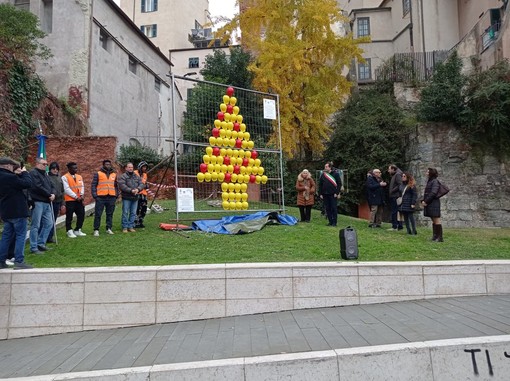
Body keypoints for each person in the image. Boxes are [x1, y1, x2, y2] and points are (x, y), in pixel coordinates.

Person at [0, 157, 33, 269]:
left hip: (6, 212)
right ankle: (19, 261)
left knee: (6, 237)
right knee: (20, 235)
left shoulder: (4, 177)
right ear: (7, 165)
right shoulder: (10, 177)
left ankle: (1, 261)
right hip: (18, 211)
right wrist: (24, 172)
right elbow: (28, 183)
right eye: (11, 165)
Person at [28, 157, 56, 253]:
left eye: (46, 164)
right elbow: (37, 187)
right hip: (38, 201)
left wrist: (53, 194)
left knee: (49, 223)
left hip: (47, 202)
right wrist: (49, 194)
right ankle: (33, 247)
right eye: (44, 164)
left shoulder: (46, 175)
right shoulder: (33, 173)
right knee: (35, 225)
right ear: (37, 164)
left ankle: (41, 243)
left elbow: (52, 186)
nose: (46, 166)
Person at [91, 159, 118, 236]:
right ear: (103, 165)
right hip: (100, 197)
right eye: (106, 164)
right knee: (98, 214)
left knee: (110, 214)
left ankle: (109, 228)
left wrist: (116, 194)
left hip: (111, 197)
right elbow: (93, 185)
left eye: (109, 164)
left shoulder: (114, 174)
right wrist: (95, 195)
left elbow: (116, 185)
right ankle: (96, 229)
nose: (108, 166)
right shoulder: (98, 174)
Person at [118, 162, 145, 233]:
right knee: (125, 212)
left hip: (135, 197)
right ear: (126, 168)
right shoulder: (123, 176)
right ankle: (125, 227)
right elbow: (122, 186)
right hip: (126, 197)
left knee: (133, 213)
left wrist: (138, 189)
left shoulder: (136, 176)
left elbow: (142, 184)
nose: (130, 169)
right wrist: (131, 190)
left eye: (132, 167)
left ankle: (131, 226)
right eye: (129, 167)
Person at [62, 162, 86, 238]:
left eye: (76, 168)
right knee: (69, 215)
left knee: (81, 214)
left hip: (79, 200)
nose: (76, 169)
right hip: (70, 200)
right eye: (74, 168)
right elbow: (66, 189)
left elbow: (82, 186)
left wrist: (81, 195)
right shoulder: (64, 177)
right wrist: (76, 196)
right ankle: (69, 230)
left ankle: (77, 229)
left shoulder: (79, 176)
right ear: (69, 169)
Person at [421, 167, 443, 242]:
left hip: (434, 202)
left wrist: (426, 201)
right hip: (431, 202)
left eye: (427, 172)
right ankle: (435, 236)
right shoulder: (430, 181)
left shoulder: (435, 181)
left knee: (436, 220)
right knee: (433, 220)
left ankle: (439, 237)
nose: (426, 173)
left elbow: (433, 193)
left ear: (431, 173)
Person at [319, 162, 342, 227]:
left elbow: (339, 184)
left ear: (330, 167)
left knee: (333, 208)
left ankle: (334, 222)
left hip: (333, 194)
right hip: (325, 194)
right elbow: (320, 184)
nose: (325, 168)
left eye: (326, 167)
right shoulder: (323, 175)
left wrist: (336, 193)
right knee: (327, 208)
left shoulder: (336, 174)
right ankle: (330, 222)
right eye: (325, 167)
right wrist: (320, 193)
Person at [46, 162, 64, 243]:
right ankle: (45, 236)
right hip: (50, 201)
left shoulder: (59, 178)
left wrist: (63, 203)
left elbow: (62, 191)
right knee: (48, 220)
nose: (55, 170)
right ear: (50, 169)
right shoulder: (47, 177)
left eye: (57, 168)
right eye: (53, 168)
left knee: (54, 220)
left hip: (58, 201)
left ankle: (50, 236)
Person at [387, 164, 403, 231]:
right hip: (394, 195)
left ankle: (395, 226)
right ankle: (399, 226)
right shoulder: (395, 174)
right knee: (396, 211)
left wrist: (392, 191)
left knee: (395, 211)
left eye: (389, 169)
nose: (388, 171)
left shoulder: (397, 175)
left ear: (393, 169)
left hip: (395, 196)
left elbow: (400, 184)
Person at [134, 161, 149, 228]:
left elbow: (145, 183)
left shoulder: (145, 175)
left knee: (144, 208)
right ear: (140, 167)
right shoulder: (134, 173)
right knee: (136, 208)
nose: (144, 168)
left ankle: (140, 221)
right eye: (143, 167)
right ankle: (135, 222)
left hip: (144, 194)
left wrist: (146, 185)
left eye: (145, 167)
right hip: (136, 193)